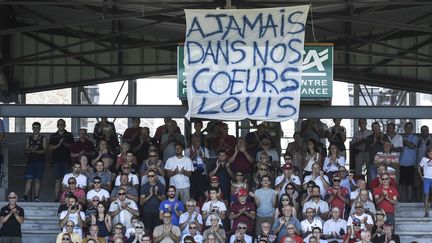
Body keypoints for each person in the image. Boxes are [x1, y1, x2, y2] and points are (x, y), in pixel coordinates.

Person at [49, 119, 75, 201]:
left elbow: (72, 147)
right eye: (59, 124)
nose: (61, 126)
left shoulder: (69, 135)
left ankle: (66, 198)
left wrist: (63, 143)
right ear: (57, 126)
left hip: (66, 161)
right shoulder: (53, 136)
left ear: (65, 125)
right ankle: (57, 198)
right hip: (56, 161)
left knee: (66, 181)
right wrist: (59, 143)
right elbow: (50, 147)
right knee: (57, 180)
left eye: (62, 124)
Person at [21, 121, 47, 202]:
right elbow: (25, 150)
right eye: (34, 127)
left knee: (37, 179)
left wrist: (36, 151)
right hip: (30, 162)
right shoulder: (29, 138)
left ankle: (36, 197)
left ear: (40, 128)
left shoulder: (43, 138)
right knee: (29, 180)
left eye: (37, 127)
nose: (36, 129)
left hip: (40, 161)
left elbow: (45, 150)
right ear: (32, 128)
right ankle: (25, 196)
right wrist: (30, 149)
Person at [417, 146, 432, 217]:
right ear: (428, 153)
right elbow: (419, 167)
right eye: (431, 153)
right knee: (426, 195)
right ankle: (426, 212)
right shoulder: (424, 159)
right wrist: (421, 176)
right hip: (426, 179)